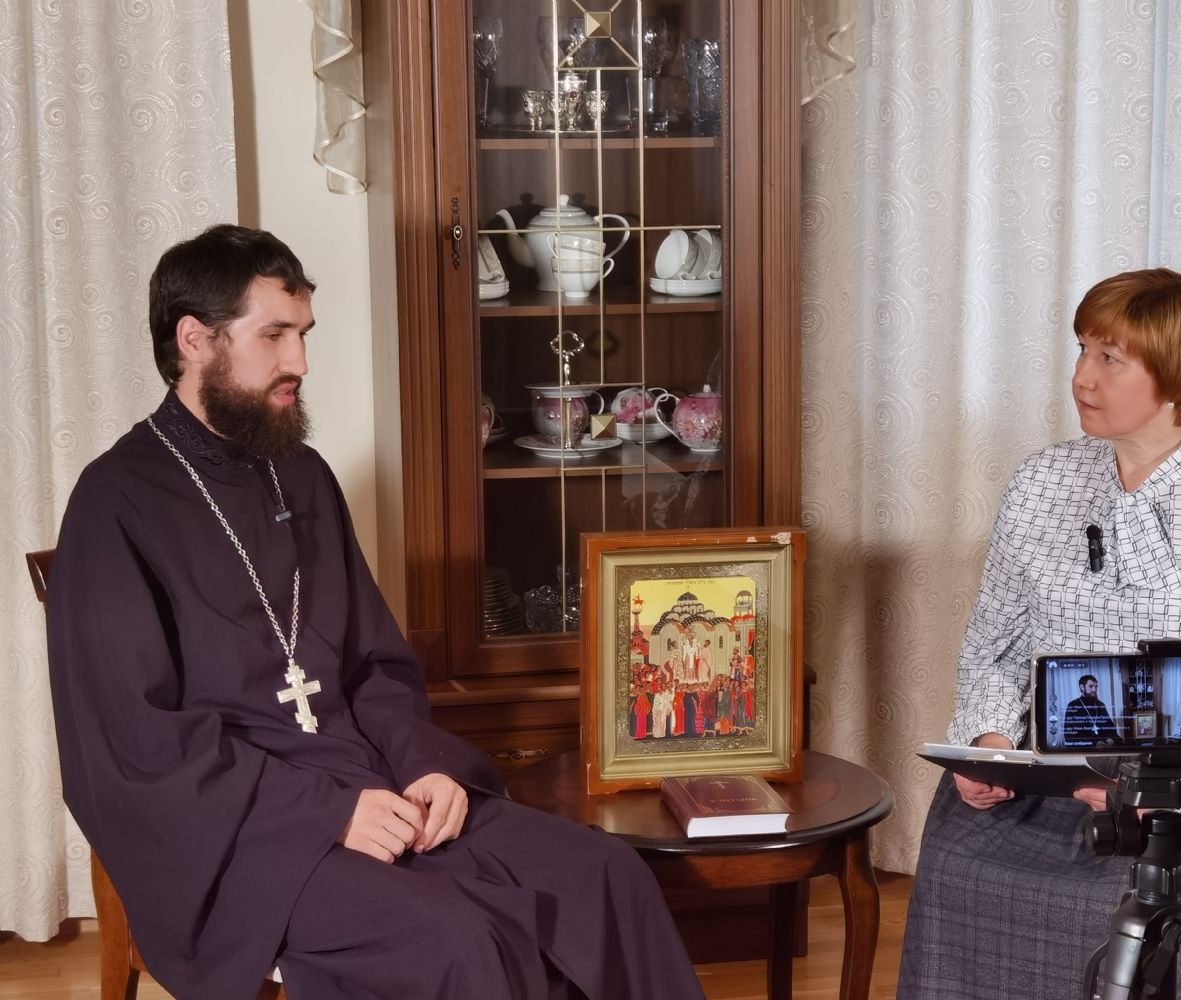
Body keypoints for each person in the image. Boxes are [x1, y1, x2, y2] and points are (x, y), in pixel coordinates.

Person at [44, 225, 705, 1000]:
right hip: (242, 836)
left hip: (374, 781)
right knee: (457, 944)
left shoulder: (301, 474)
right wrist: (325, 815)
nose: (300, 362)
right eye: (275, 336)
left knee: (606, 875)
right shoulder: (113, 503)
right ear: (195, 340)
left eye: (303, 334)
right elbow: (136, 743)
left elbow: (374, 666)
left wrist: (425, 765)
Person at [898, 269, 1181, 1000]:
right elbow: (996, 641)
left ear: (1173, 376)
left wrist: (1166, 791)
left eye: (1109, 358)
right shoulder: (1041, 481)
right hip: (1053, 771)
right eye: (1082, 350)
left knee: (1120, 912)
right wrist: (990, 743)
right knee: (958, 864)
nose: (1081, 377)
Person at [1062, 674, 1120, 747]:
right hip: (1085, 749)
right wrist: (1094, 743)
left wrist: (1111, 739)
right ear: (1082, 687)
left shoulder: (1100, 705)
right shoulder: (1073, 705)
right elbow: (1070, 735)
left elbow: (1110, 727)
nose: (1094, 690)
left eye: (1096, 687)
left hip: (1105, 747)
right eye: (1091, 686)